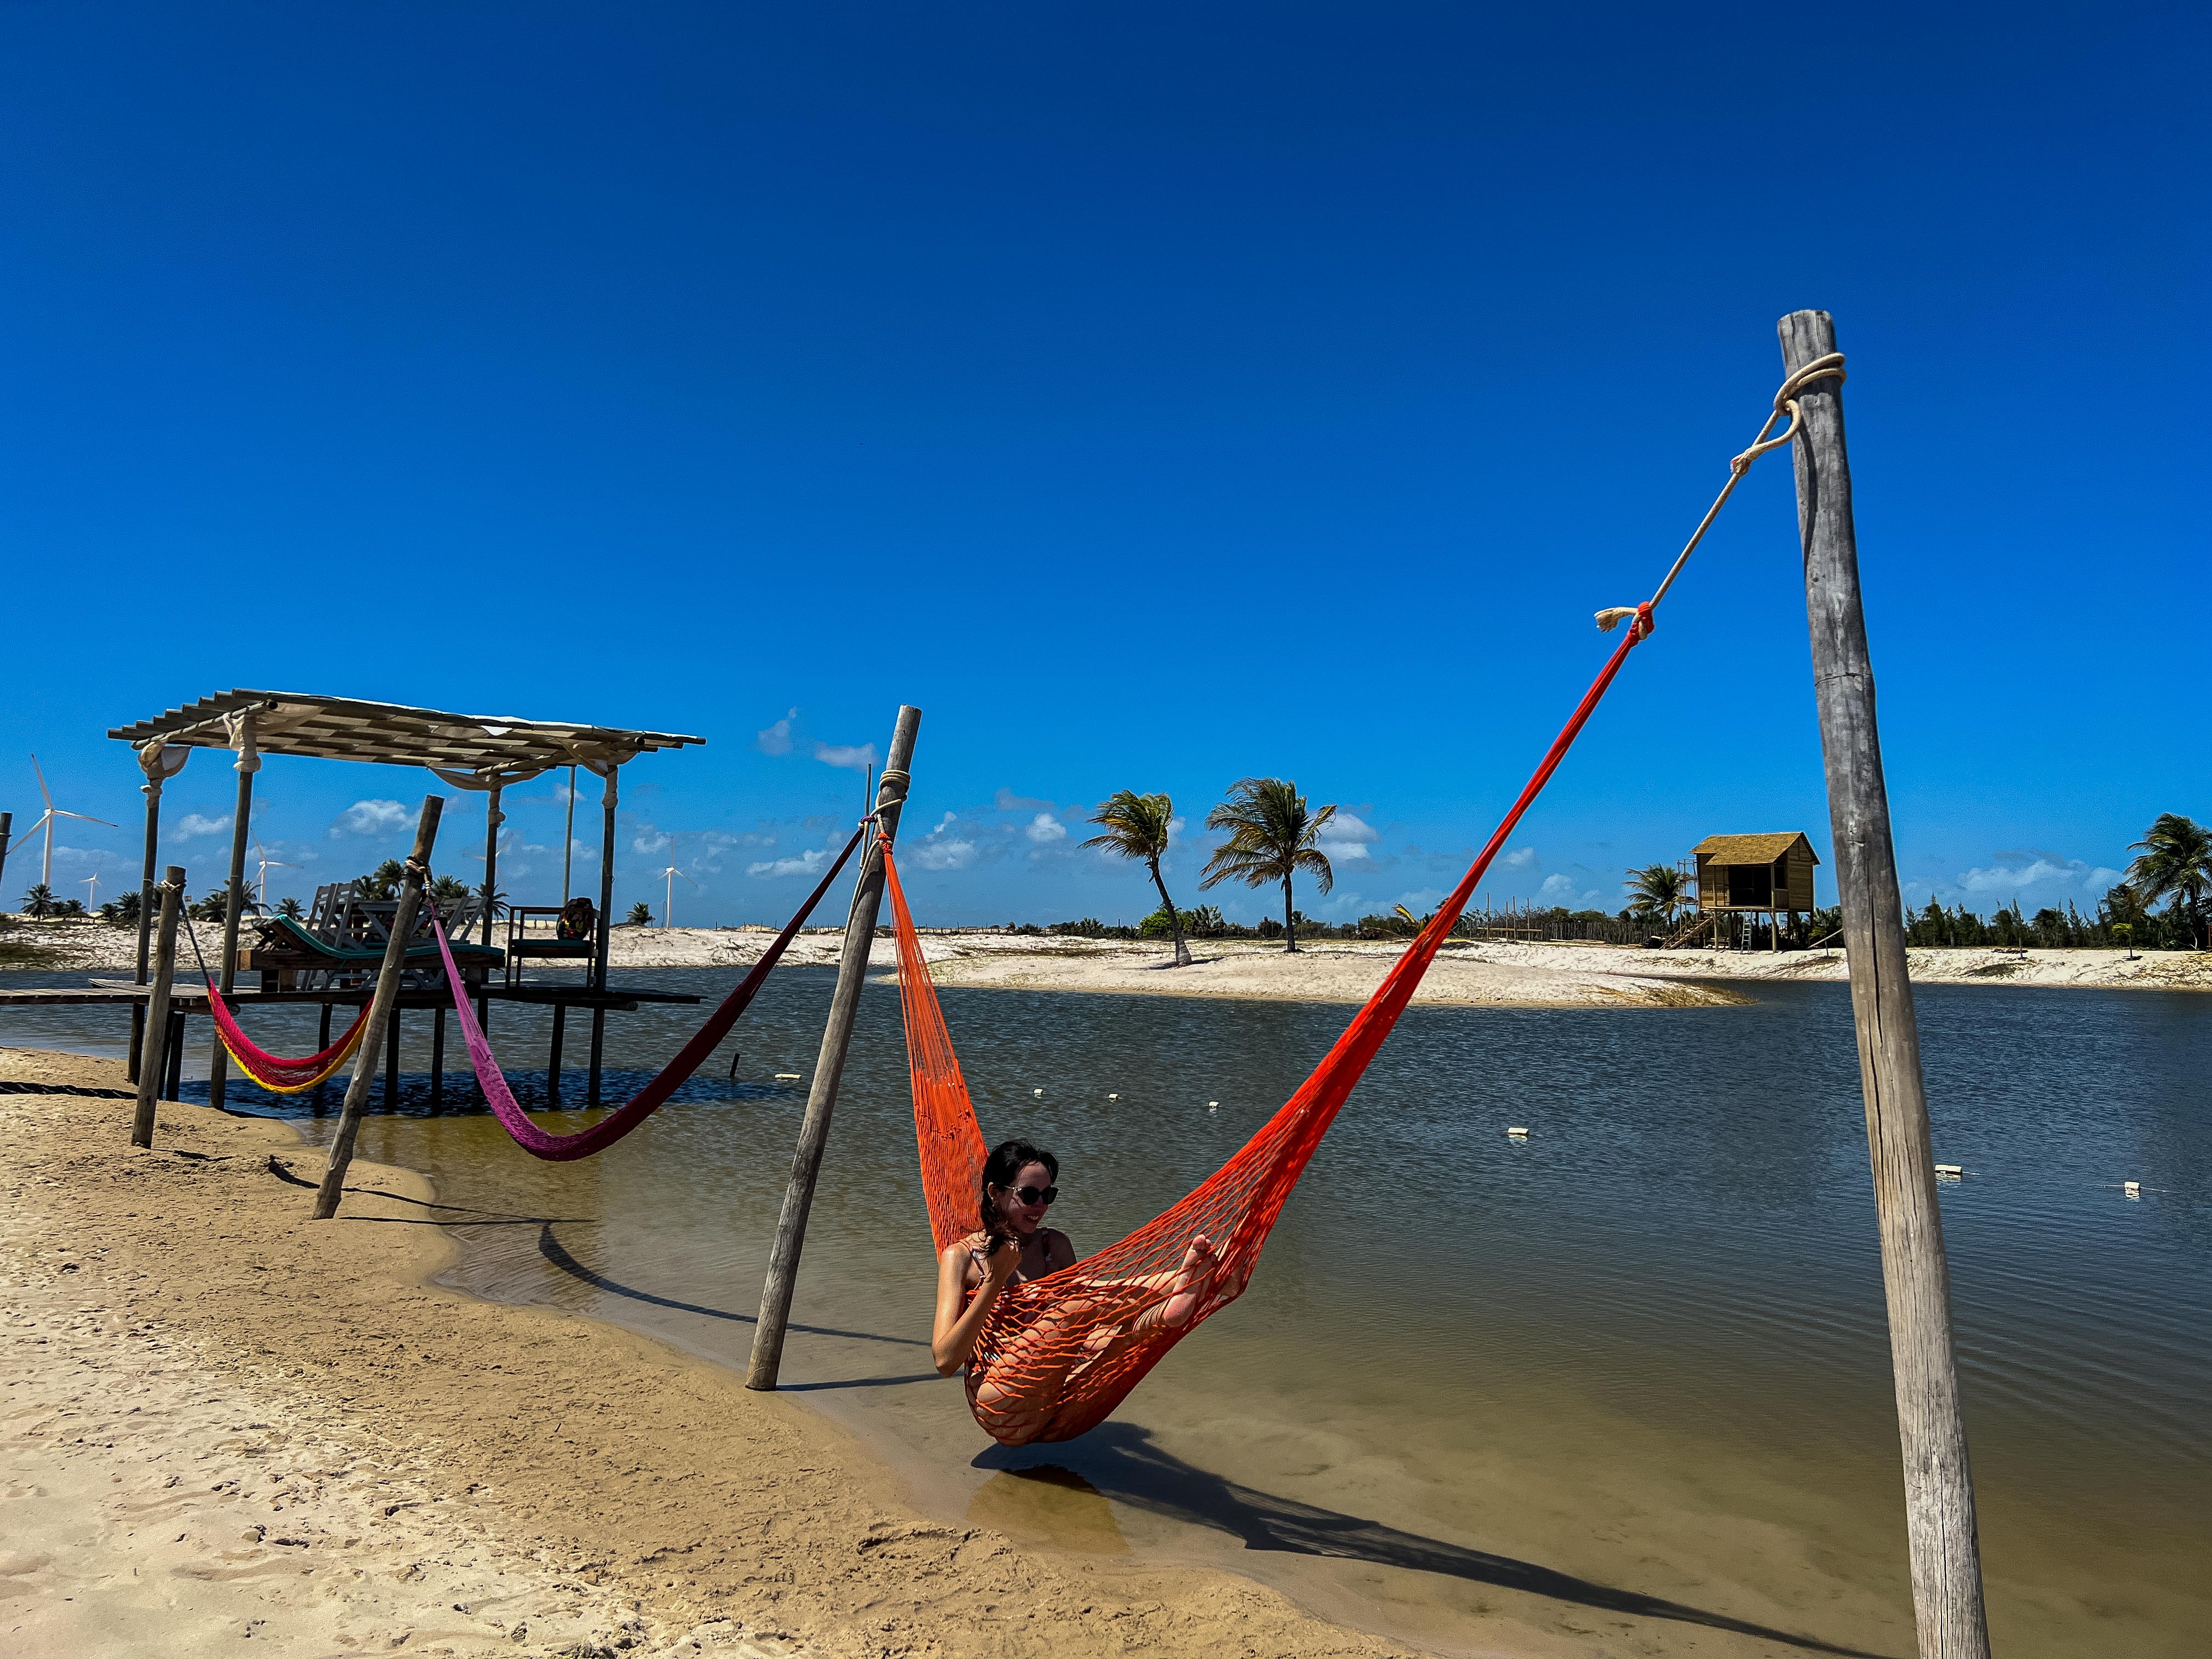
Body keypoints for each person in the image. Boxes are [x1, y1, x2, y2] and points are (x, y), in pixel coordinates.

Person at [931, 1138, 1245, 1442]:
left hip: (1055, 1401)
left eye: (1048, 1195)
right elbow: (945, 1361)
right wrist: (995, 1279)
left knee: (1128, 1329)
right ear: (996, 1193)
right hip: (999, 1402)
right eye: (1029, 1195)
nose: (1040, 1206)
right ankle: (1191, 1281)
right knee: (1072, 1308)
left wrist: (1118, 1334)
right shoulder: (961, 1257)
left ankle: (1191, 1293)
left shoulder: (1054, 1246)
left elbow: (1089, 1321)